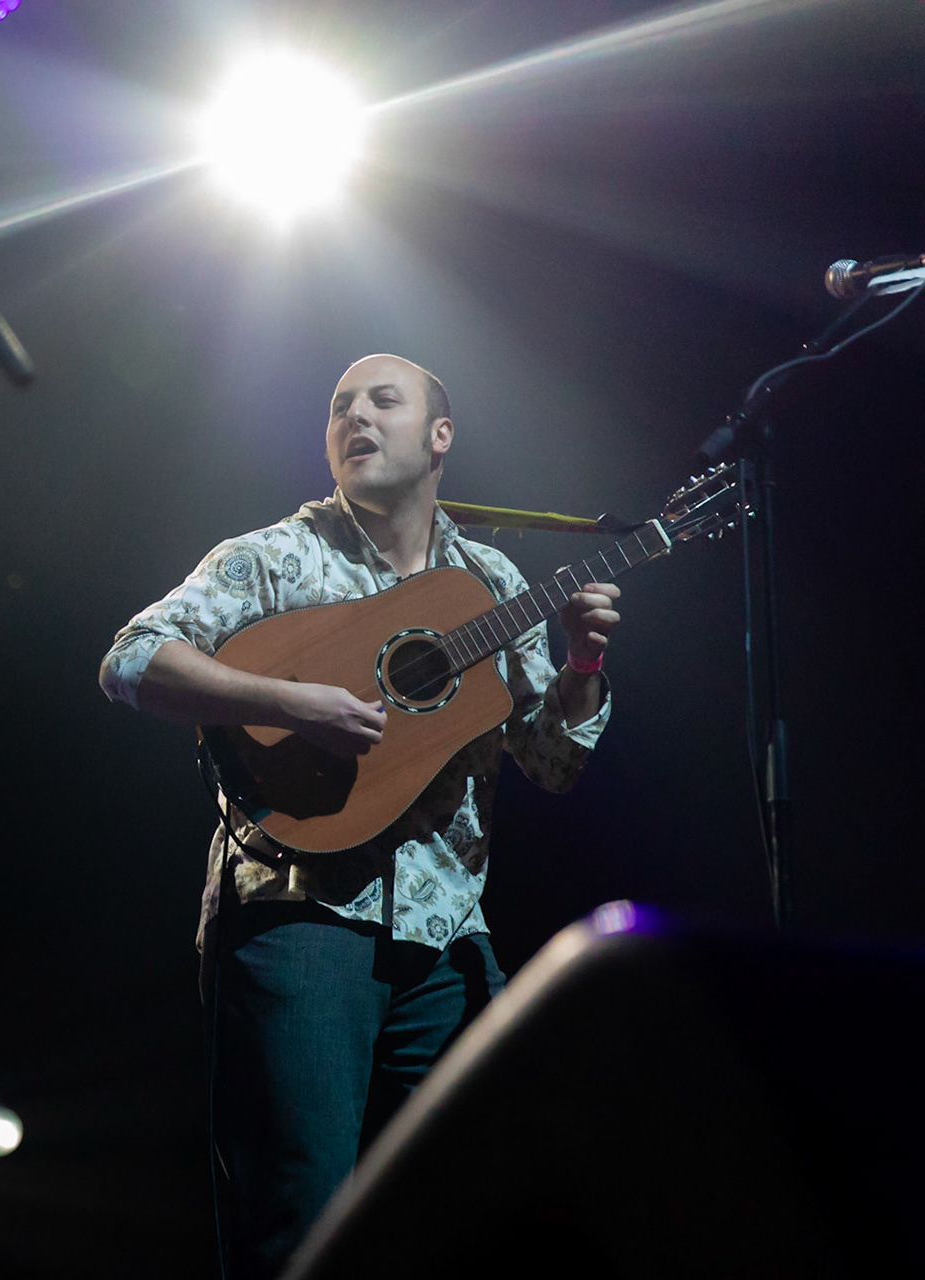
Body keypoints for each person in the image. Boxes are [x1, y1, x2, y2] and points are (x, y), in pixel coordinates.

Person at [99, 354, 622, 1278]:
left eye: (385, 401)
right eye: (340, 406)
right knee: (298, 1217)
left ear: (439, 438)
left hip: (449, 941)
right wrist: (291, 702)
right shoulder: (272, 557)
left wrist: (580, 669)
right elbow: (132, 662)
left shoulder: (493, 581)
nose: (356, 418)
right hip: (297, 922)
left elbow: (550, 764)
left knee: (481, 1207)